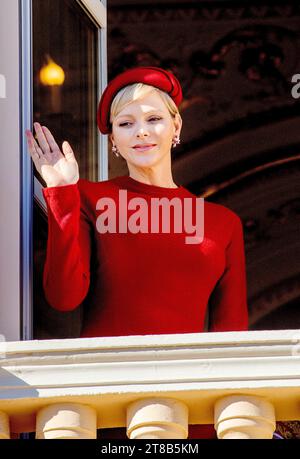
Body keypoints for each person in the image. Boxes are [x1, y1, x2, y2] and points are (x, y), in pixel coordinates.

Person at [25, 66, 249, 439]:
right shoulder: (91, 199)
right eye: (125, 123)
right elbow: (64, 297)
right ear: (113, 139)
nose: (141, 131)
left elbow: (232, 334)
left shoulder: (222, 222)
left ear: (176, 127)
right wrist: (63, 192)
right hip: (103, 399)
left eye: (154, 118)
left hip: (189, 406)